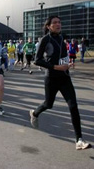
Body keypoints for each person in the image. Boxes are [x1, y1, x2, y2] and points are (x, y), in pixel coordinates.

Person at [30, 15, 91, 150]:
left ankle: (79, 140)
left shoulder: (62, 37)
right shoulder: (45, 40)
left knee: (73, 106)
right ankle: (35, 113)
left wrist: (67, 63)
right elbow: (37, 60)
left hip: (65, 77)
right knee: (48, 104)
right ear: (48, 26)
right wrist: (56, 67)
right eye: (55, 22)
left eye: (59, 22)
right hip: (51, 78)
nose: (58, 24)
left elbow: (61, 55)